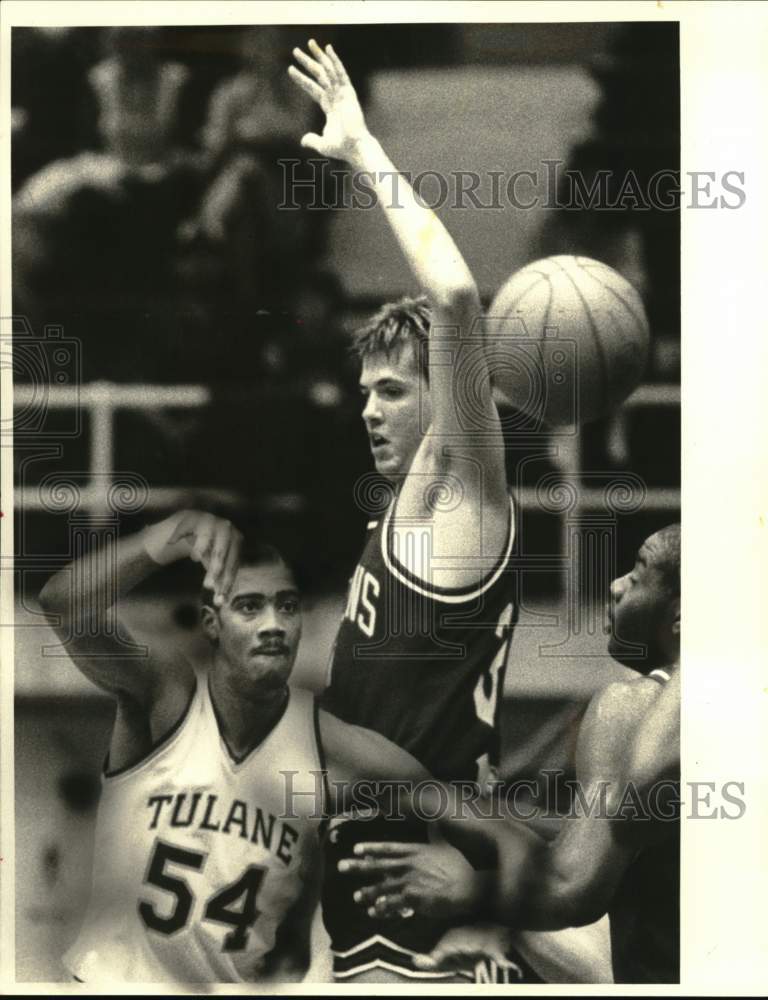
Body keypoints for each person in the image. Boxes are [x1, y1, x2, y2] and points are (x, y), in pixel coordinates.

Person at [288, 41, 525, 983]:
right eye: (364, 392)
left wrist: (361, 152)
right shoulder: (398, 529)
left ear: (442, 398)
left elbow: (459, 296)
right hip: (376, 873)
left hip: (421, 881)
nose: (368, 409)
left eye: (392, 388)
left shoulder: (465, 506)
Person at [38, 509, 433, 984]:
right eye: (249, 606)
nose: (273, 624)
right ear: (211, 622)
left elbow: (470, 815)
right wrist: (167, 535)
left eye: (286, 606)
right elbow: (62, 604)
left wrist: (472, 877)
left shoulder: (332, 745)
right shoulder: (168, 695)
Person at [344, 524, 681, 983]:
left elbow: (571, 888)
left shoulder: (630, 707)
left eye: (638, 574)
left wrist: (468, 891)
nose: (616, 585)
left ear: (684, 616)